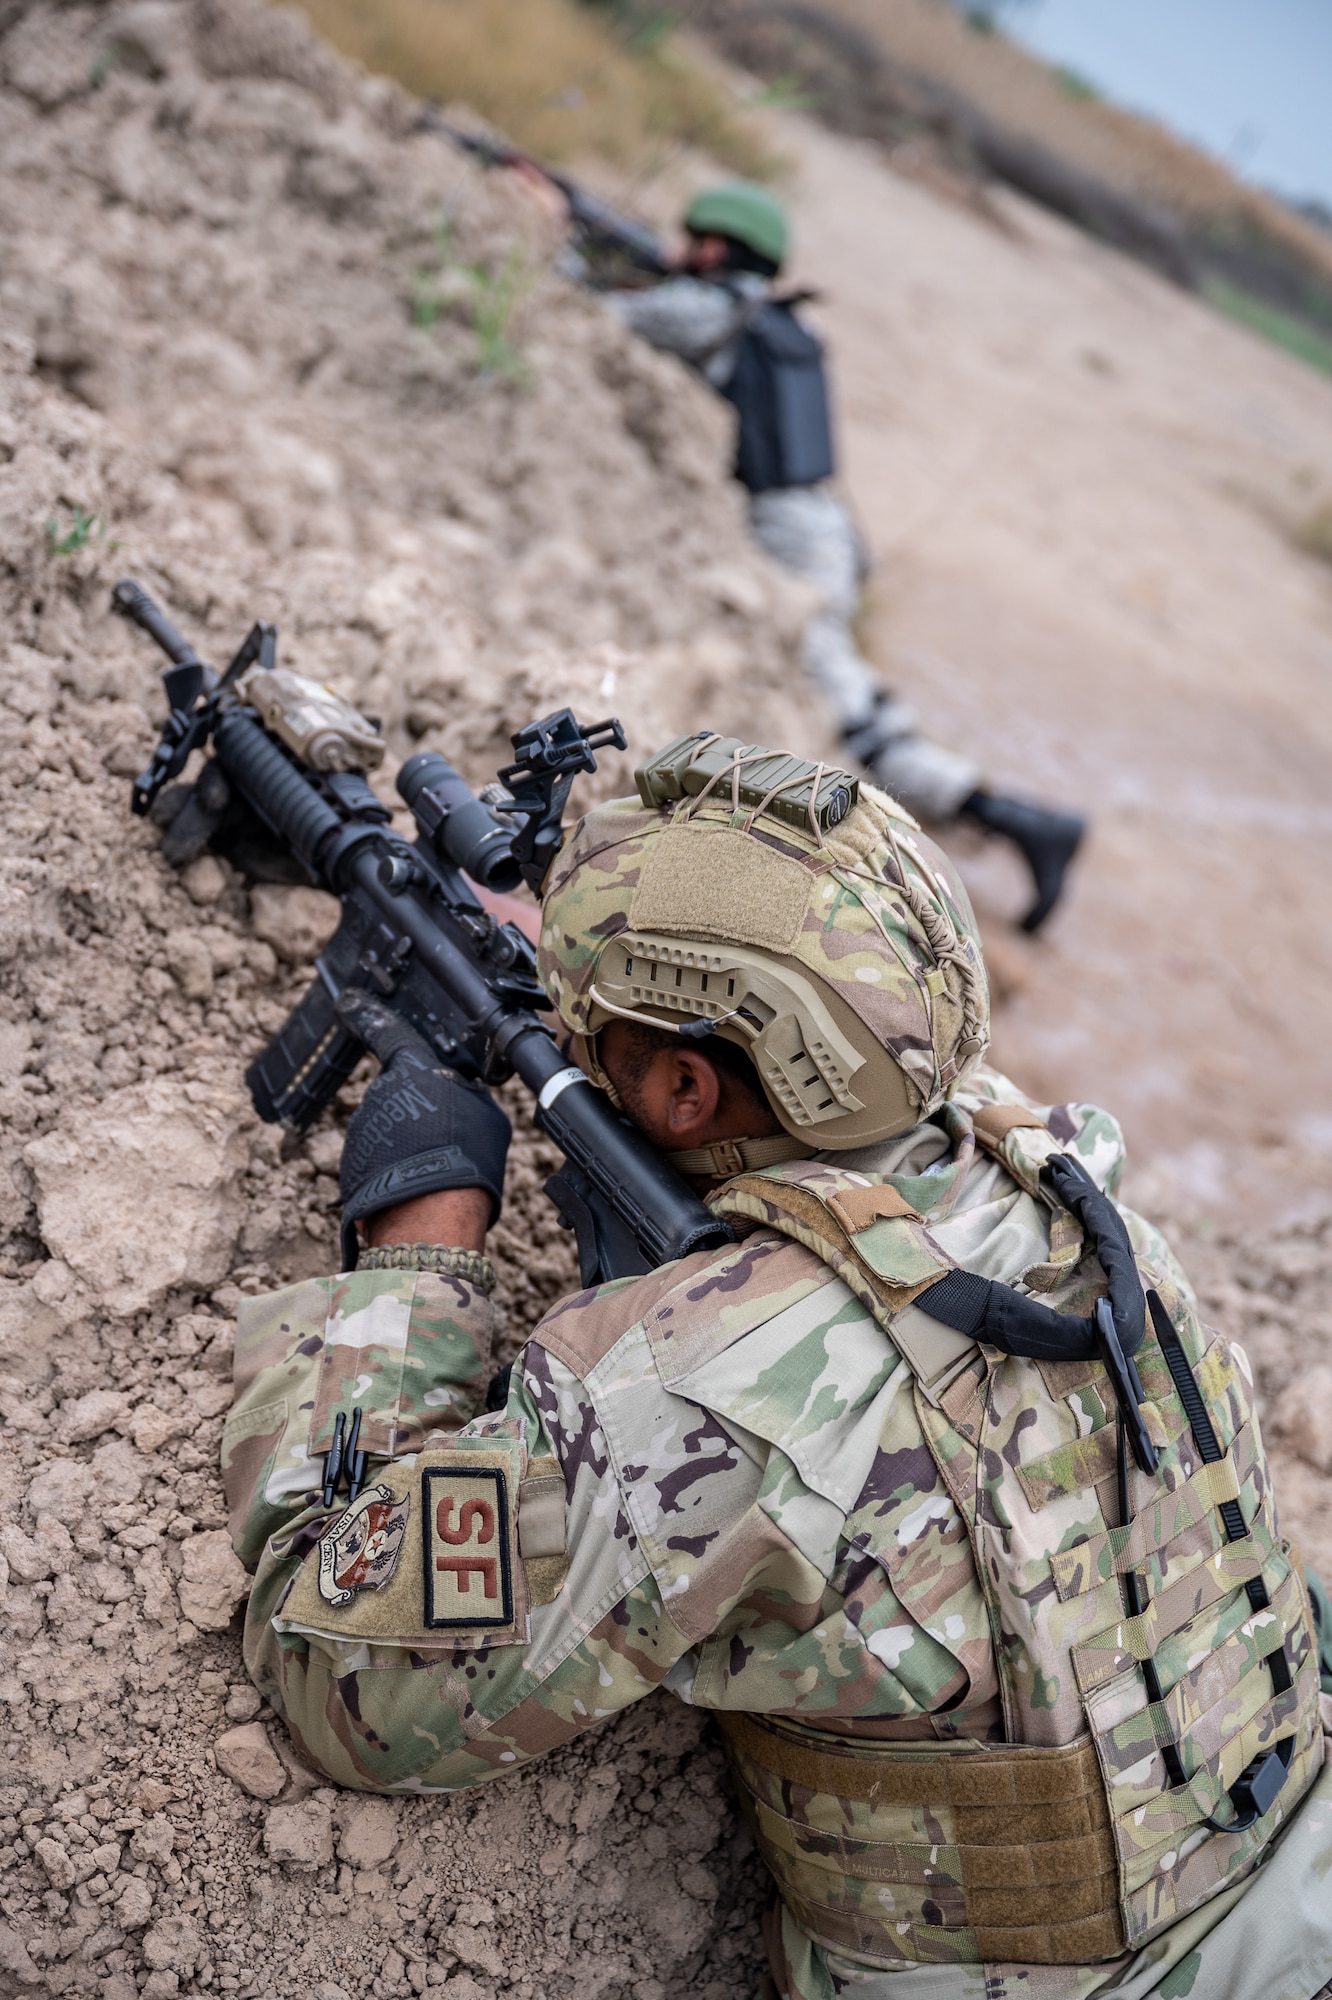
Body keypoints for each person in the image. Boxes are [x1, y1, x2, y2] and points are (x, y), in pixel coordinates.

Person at [224, 735, 1332, 1999]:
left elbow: (334, 1682)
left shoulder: (703, 1391)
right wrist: (610, 949)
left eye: (601, 1033)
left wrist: (418, 1258)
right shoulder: (1063, 1176)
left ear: (689, 1088)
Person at [555, 176, 1086, 933]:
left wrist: (554, 236)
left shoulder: (710, 309)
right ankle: (998, 822)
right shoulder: (779, 323)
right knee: (852, 690)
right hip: (831, 523)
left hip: (790, 533)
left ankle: (1009, 821)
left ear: (711, 246)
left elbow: (592, 312)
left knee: (844, 707)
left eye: (688, 240)